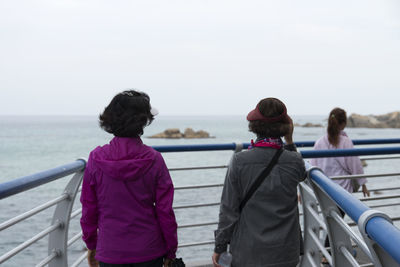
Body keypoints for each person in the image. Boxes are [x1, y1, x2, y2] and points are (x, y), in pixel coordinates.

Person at [80, 90, 178, 267]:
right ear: (143, 121)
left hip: (110, 251)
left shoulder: (95, 158)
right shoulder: (154, 159)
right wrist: (171, 249)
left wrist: (92, 245)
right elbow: (165, 211)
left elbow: (89, 209)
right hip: (149, 250)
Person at [212, 97, 306, 267]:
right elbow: (301, 175)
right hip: (286, 252)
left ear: (255, 126)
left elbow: (228, 209)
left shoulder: (240, 160)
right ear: (285, 127)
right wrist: (290, 141)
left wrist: (220, 246)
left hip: (249, 252)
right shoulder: (295, 160)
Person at [310, 108, 370, 197]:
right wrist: (363, 184)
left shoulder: (319, 142)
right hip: (343, 189)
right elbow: (355, 165)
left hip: (324, 189)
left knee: (329, 211)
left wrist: (307, 187)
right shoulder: (346, 142)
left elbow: (313, 167)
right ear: (343, 124)